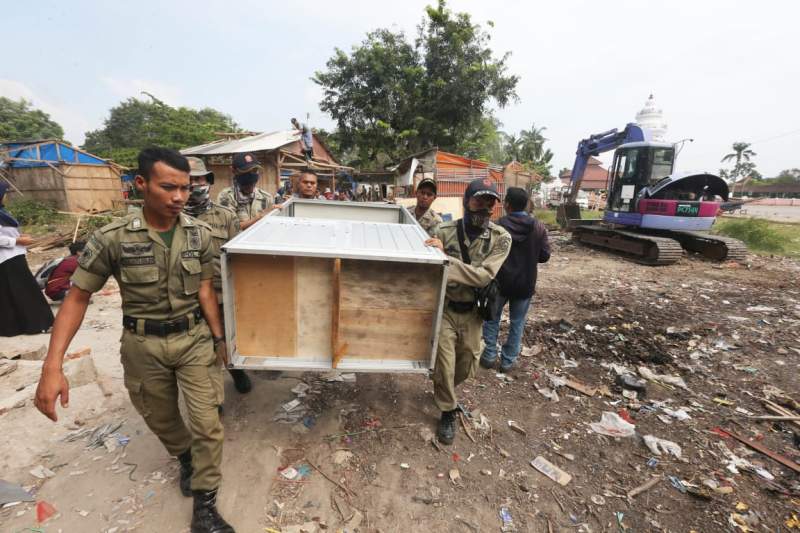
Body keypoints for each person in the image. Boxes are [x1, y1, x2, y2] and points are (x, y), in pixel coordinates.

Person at [34, 147, 235, 533]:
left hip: (193, 338)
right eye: (168, 187)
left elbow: (207, 289)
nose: (179, 197)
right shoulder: (113, 238)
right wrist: (52, 365)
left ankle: (205, 505)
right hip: (142, 345)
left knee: (208, 422)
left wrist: (219, 338)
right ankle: (186, 458)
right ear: (141, 184)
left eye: (185, 188)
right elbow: (77, 296)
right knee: (160, 418)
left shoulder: (201, 234)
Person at [425, 178, 511, 445]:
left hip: (475, 314)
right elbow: (427, 264)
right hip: (446, 309)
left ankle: (444, 387)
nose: (484, 208)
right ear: (466, 201)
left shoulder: (501, 238)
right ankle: (448, 410)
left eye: (490, 203)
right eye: (478, 200)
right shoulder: (443, 230)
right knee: (444, 363)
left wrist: (445, 260)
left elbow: (484, 276)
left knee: (467, 364)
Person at [184, 157, 252, 395]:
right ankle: (212, 399)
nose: (195, 185)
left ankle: (235, 370)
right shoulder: (169, 219)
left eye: (199, 179)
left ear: (208, 181)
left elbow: (237, 257)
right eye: (189, 180)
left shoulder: (225, 217)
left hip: (220, 295)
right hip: (186, 300)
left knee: (224, 341)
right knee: (200, 351)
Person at [480, 187, 550, 373]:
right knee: (517, 323)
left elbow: (485, 254)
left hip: (499, 283)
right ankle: (507, 362)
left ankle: (488, 356)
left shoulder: (496, 226)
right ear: (526, 204)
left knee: (492, 319)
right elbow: (544, 256)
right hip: (525, 284)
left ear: (507, 204)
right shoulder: (538, 227)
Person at [0, 182, 55, 336]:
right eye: (4, 194)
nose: (6, 197)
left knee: (14, 291)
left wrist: (19, 237)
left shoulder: (3, 213)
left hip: (14, 255)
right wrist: (16, 241)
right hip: (8, 258)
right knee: (26, 291)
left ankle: (18, 327)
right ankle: (37, 324)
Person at [217, 152, 274, 230]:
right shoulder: (226, 197)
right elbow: (228, 228)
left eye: (254, 171)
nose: (251, 176)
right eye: (245, 172)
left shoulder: (266, 197)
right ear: (234, 171)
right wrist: (259, 217)